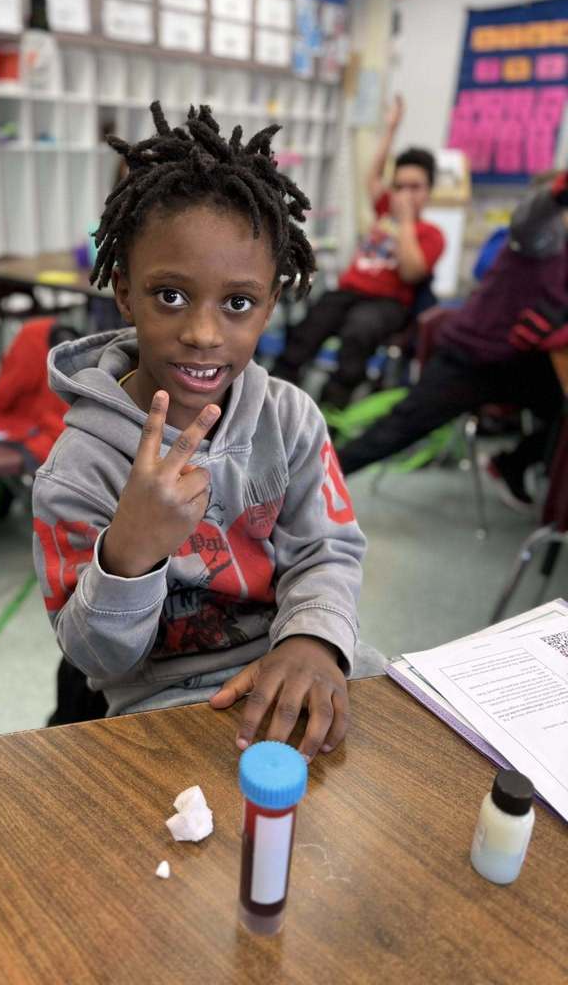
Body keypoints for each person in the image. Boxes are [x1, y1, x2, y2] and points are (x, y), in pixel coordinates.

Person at [33, 102, 374, 761]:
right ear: (125, 293)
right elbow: (92, 654)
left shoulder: (292, 420)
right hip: (162, 706)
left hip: (291, 664)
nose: (203, 333)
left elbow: (328, 553)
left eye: (237, 304)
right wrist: (129, 552)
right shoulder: (79, 468)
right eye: (170, 296)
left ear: (269, 305)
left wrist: (312, 641)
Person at [337, 171, 568, 508]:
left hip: (518, 363)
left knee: (561, 414)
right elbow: (531, 216)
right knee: (393, 432)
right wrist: (558, 194)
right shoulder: (539, 236)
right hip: (470, 359)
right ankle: (306, 485)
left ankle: (512, 465)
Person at [272, 96, 445, 409]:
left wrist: (406, 221)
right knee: (310, 326)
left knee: (358, 334)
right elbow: (372, 175)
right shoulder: (383, 210)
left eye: (415, 187)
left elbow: (411, 272)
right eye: (400, 186)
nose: (404, 193)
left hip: (388, 304)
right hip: (350, 292)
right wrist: (391, 130)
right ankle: (276, 393)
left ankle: (332, 407)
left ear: (428, 191)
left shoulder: (430, 234)